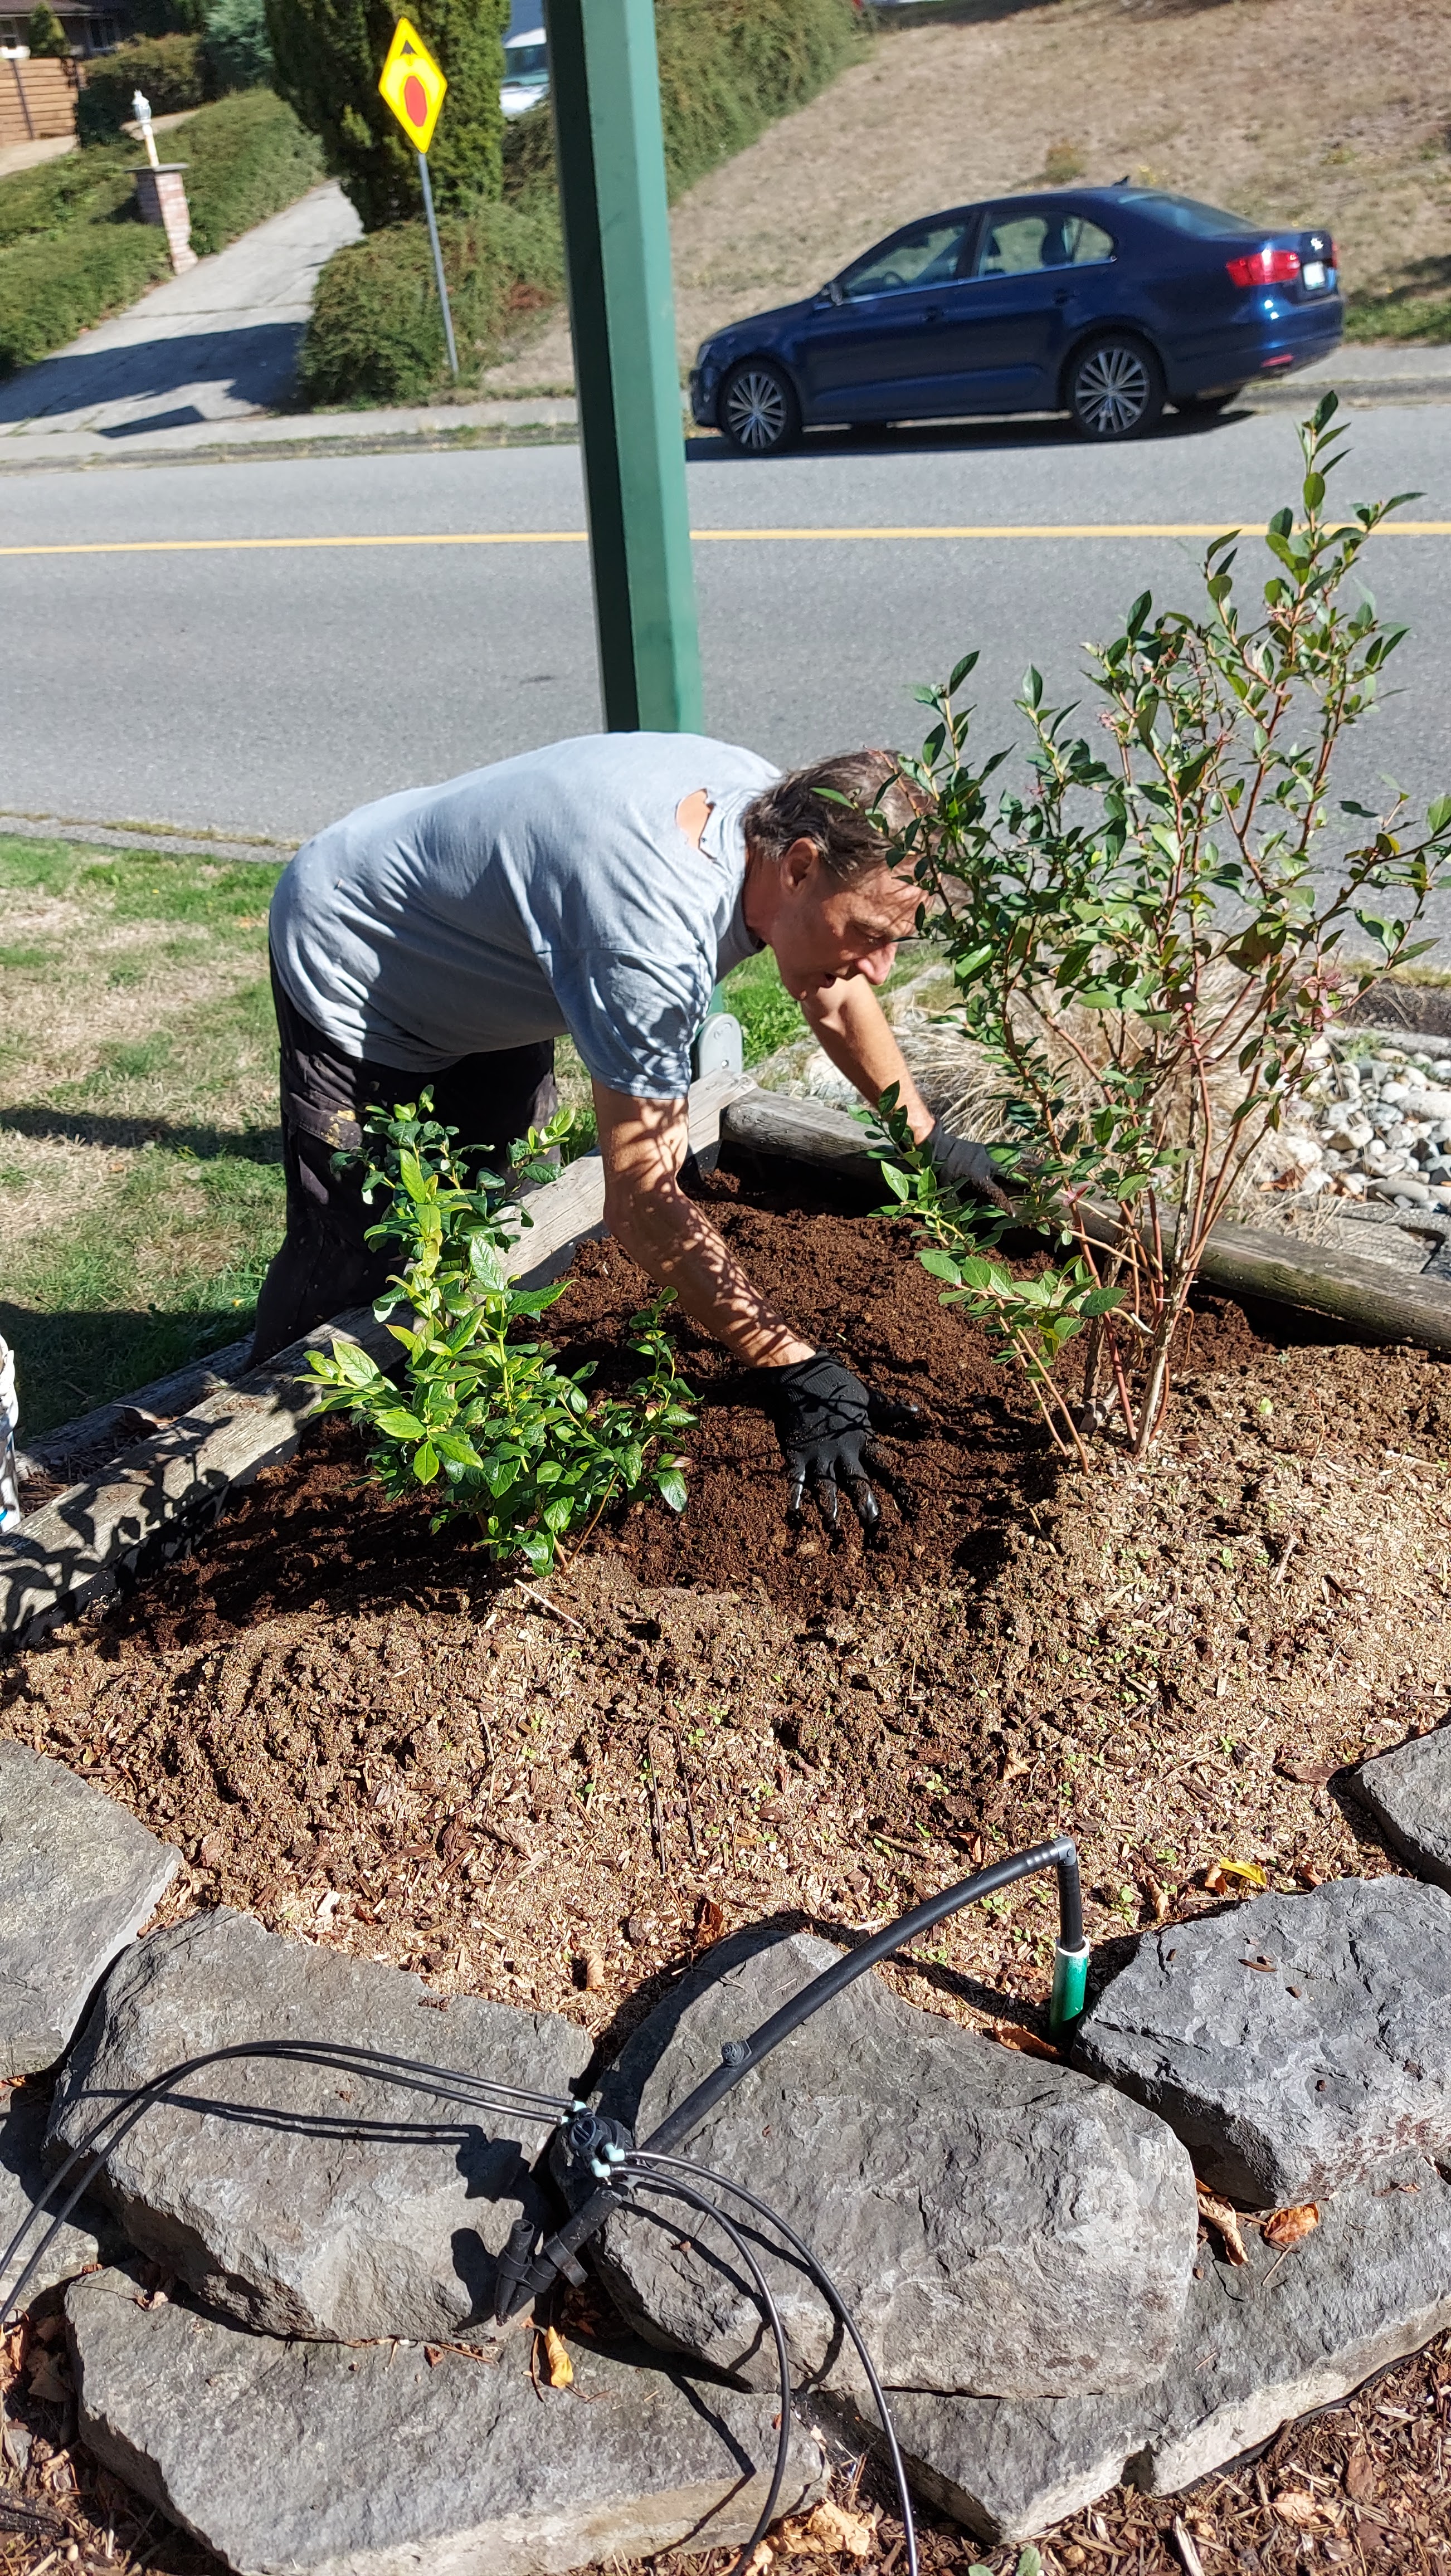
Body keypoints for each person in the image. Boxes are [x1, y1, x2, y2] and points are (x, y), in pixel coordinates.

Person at [254, 732, 1004, 1522]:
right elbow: (642, 1205)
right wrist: (794, 1365)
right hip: (360, 954)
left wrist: (922, 1138)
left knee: (480, 1213)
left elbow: (836, 989)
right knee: (355, 1253)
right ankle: (257, 1451)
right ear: (801, 867)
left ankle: (431, 1383)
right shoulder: (647, 940)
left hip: (485, 953)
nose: (881, 966)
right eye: (872, 934)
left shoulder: (771, 814)